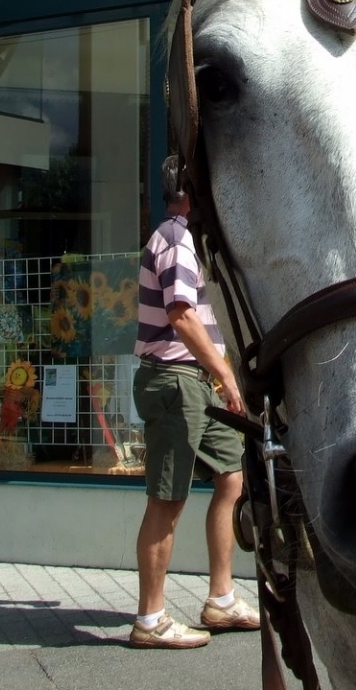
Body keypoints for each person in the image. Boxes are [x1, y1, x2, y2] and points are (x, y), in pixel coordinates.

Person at [129, 155, 259, 649]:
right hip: (177, 379)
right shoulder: (178, 239)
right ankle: (150, 620)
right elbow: (181, 317)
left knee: (231, 477)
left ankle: (220, 601)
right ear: (189, 189)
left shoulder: (187, 239)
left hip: (196, 379)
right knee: (168, 498)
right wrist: (226, 374)